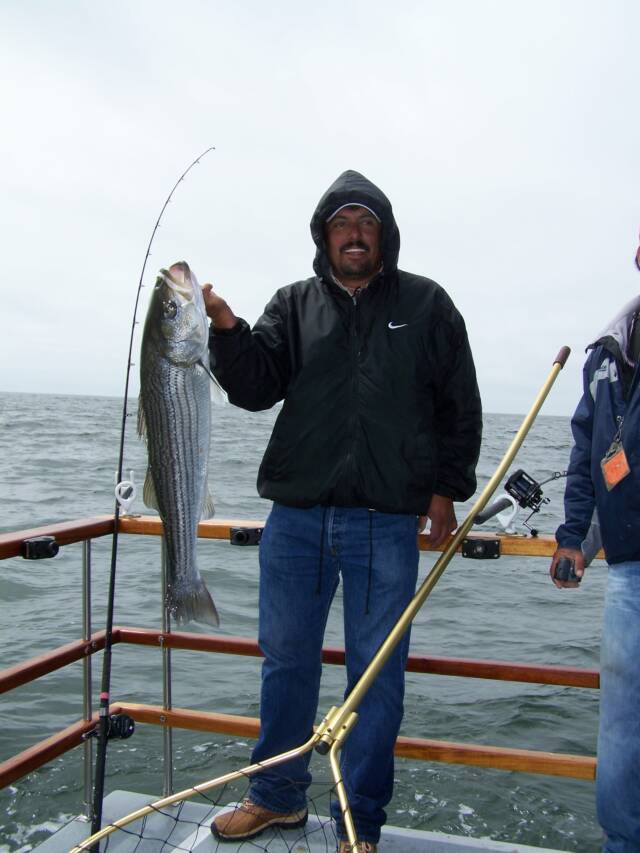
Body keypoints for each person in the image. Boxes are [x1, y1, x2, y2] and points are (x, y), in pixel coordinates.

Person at [204, 170, 482, 852]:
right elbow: (254, 387)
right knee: (286, 665)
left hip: (386, 523)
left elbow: (460, 404)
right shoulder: (294, 305)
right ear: (323, 237)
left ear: (383, 234)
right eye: (341, 224)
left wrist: (447, 489)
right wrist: (227, 331)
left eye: (365, 223)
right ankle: (277, 798)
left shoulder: (428, 305)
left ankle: (360, 820)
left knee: (375, 680)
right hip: (296, 519)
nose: (354, 234)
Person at [550, 233, 640, 853]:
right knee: (623, 730)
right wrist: (575, 537)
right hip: (629, 573)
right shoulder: (607, 354)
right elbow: (589, 453)